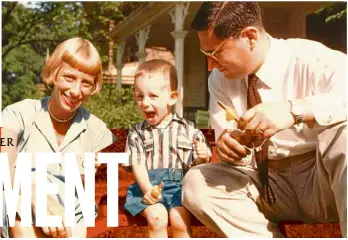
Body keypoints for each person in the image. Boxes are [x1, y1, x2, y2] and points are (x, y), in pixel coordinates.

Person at [182, 2, 347, 238]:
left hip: (324, 183)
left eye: (215, 53)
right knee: (196, 183)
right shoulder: (219, 80)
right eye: (205, 55)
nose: (210, 65)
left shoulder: (308, 58)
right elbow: (227, 139)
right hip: (265, 184)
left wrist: (294, 111)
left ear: (250, 37)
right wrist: (227, 145)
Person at [1, 37, 116, 238]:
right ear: (54, 73)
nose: (75, 91)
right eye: (69, 78)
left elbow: (107, 190)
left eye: (86, 83)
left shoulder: (98, 131)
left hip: (74, 225)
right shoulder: (16, 115)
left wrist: (99, 172)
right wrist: (38, 198)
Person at [123, 59, 211, 238]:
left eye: (152, 96)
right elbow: (137, 165)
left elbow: (197, 167)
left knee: (179, 220)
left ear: (172, 98)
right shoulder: (137, 133)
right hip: (146, 186)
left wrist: (203, 156)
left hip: (180, 188)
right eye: (140, 96)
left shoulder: (189, 130)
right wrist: (148, 189)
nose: (145, 103)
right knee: (157, 217)